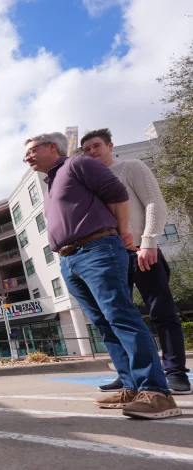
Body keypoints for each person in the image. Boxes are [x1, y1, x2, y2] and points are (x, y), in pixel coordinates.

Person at [24, 132, 181, 419]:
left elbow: (118, 194)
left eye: (33, 150)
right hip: (70, 260)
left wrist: (124, 233)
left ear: (52, 147)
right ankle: (132, 387)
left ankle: (157, 392)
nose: (27, 157)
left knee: (120, 316)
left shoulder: (78, 164)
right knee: (104, 324)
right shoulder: (51, 182)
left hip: (97, 248)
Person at [82, 128, 190, 395]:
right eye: (86, 150)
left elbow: (154, 202)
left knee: (162, 313)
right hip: (111, 256)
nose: (92, 152)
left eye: (96, 146)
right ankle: (130, 374)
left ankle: (175, 373)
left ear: (110, 145)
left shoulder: (130, 167)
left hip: (142, 250)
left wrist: (149, 241)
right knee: (117, 317)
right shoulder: (92, 184)